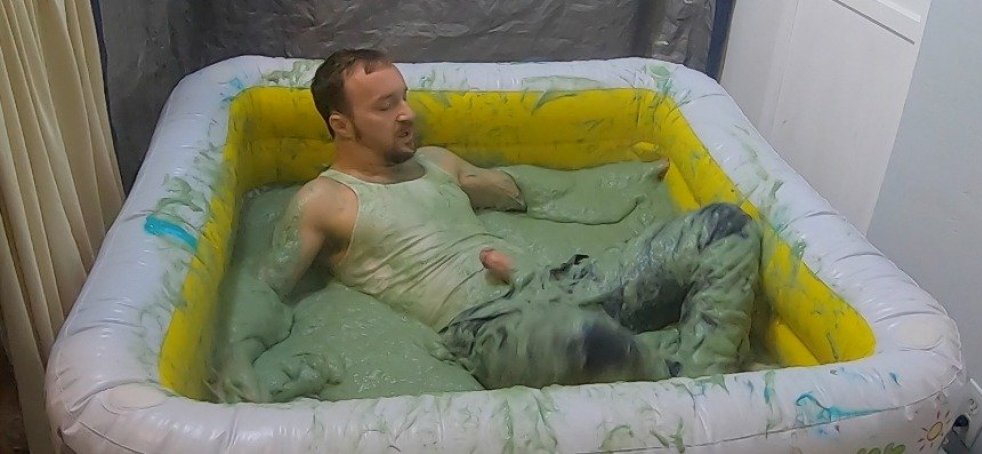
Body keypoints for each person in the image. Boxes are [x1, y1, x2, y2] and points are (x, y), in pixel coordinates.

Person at [251, 48, 761, 392]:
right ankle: (681, 381)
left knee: (724, 228)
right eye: (386, 106)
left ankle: (701, 385)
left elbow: (522, 190)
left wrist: (627, 178)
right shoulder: (324, 201)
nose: (407, 113)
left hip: (556, 282)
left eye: (403, 97)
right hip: (485, 329)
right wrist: (241, 359)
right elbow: (265, 290)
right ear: (341, 125)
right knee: (584, 338)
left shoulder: (435, 163)